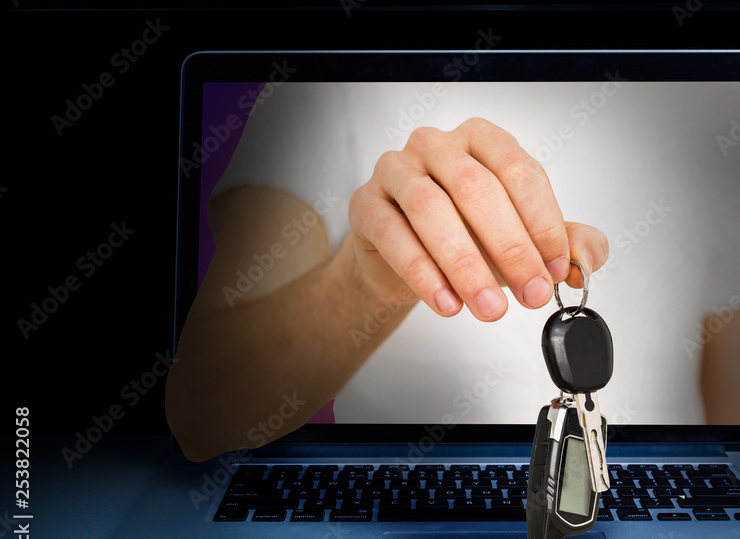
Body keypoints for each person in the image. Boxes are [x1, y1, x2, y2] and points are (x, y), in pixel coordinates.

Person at [165, 117, 610, 462]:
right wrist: (366, 287)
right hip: (397, 469)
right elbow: (200, 418)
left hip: (645, 464)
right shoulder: (318, 87)